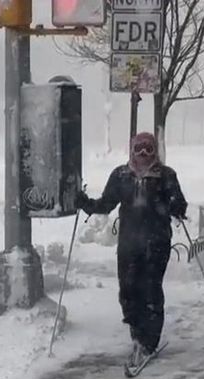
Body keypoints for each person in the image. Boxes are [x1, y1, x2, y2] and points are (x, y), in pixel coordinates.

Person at [76, 132, 188, 366]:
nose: (144, 154)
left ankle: (149, 340)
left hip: (156, 242)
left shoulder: (165, 175)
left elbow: (179, 203)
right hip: (129, 242)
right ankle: (136, 333)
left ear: (155, 151)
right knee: (128, 289)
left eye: (149, 149)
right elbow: (106, 204)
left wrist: (172, 205)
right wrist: (83, 203)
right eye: (140, 149)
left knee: (150, 289)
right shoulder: (121, 175)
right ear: (132, 150)